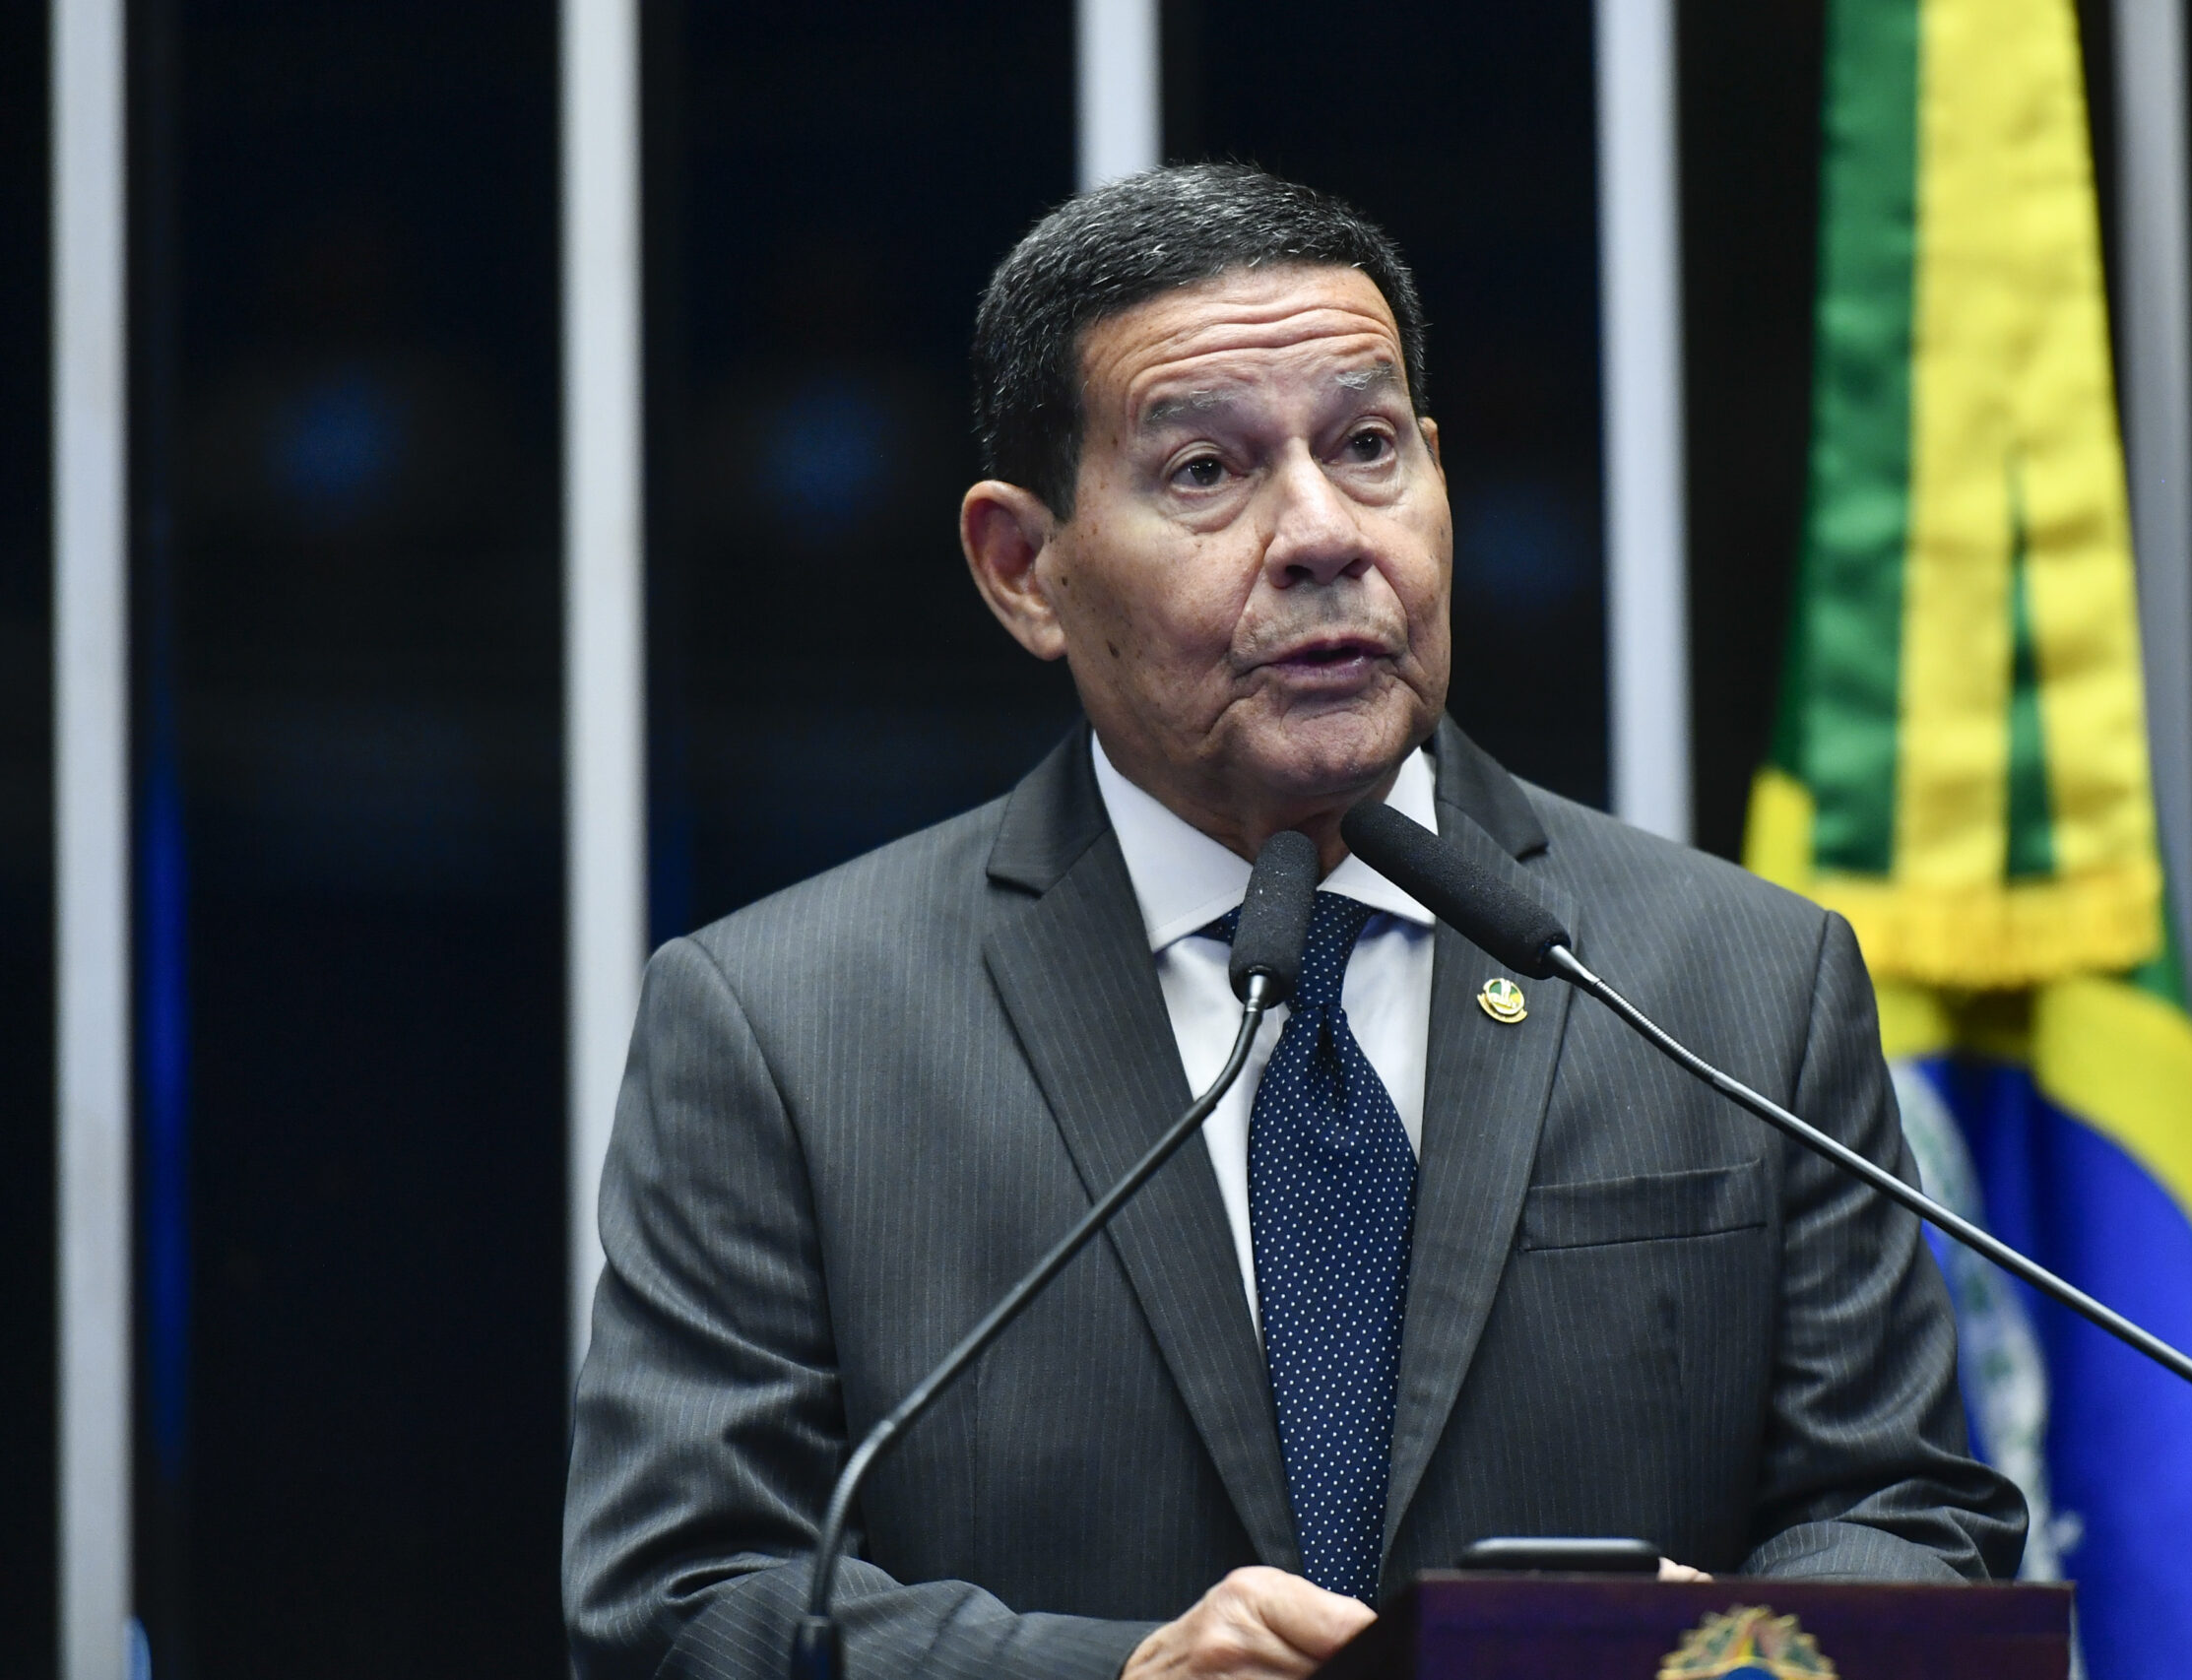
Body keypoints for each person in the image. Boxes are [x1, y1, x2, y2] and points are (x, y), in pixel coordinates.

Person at [562, 163, 2024, 1680]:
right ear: (1023, 569)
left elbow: (1908, 1516)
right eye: (1206, 471)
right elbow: (683, 1601)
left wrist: (1695, 1656)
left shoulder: (1738, 982)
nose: (1325, 532)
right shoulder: (789, 1030)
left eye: (1368, 447)